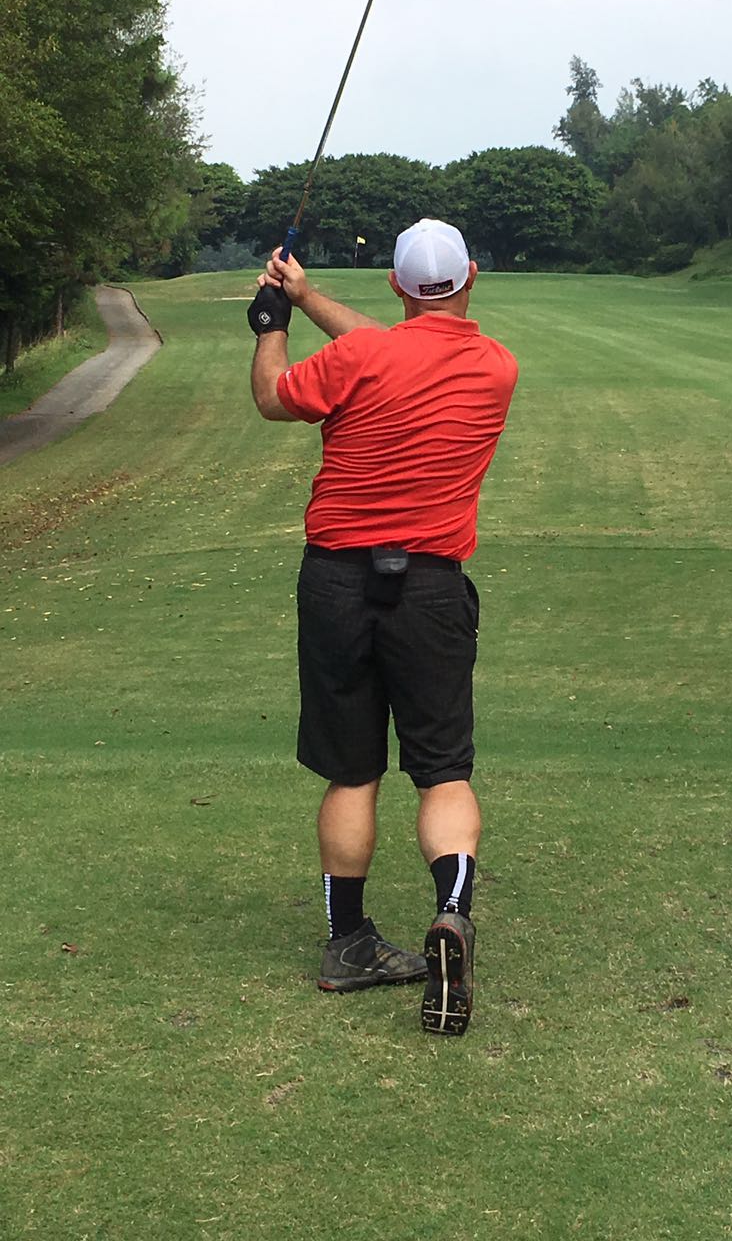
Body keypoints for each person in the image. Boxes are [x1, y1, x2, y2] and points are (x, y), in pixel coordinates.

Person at [247, 219, 518, 1036]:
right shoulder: (496, 366)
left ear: (397, 286)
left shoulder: (363, 356)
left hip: (335, 582)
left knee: (352, 771)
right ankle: (453, 911)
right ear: (472, 276)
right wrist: (307, 296)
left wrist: (273, 321)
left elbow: (273, 396)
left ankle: (348, 944)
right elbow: (402, 346)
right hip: (431, 588)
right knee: (442, 772)